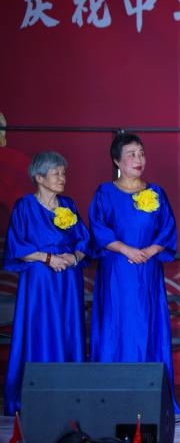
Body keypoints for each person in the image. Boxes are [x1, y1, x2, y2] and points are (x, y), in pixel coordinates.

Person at [89, 132, 180, 412]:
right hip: (118, 270)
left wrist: (149, 251)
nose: (138, 159)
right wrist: (126, 250)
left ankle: (148, 396)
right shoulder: (105, 192)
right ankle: (111, 397)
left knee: (147, 325)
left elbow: (168, 228)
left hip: (147, 270)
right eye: (131, 154)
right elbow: (98, 228)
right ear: (117, 160)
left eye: (141, 153)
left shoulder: (156, 192)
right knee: (116, 325)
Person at [3, 152, 89, 416]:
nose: (62, 178)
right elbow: (17, 246)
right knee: (40, 329)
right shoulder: (24, 206)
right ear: (39, 178)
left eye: (64, 173)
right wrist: (48, 258)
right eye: (56, 173)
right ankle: (36, 393)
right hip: (40, 281)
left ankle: (70, 394)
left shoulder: (68, 205)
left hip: (68, 280)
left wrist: (73, 257)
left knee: (68, 328)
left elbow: (84, 241)